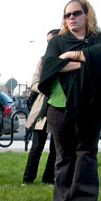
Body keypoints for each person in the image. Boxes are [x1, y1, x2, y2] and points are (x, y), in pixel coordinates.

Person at [39, 0, 101, 201]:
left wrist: (70, 56)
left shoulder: (100, 38)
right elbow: (49, 66)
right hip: (59, 104)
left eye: (76, 13)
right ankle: (62, 200)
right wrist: (83, 62)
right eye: (67, 15)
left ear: (87, 14)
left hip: (91, 104)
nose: (71, 18)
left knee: (86, 151)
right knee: (64, 153)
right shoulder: (57, 41)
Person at [22, 29, 59, 186]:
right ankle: (28, 179)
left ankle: (49, 178)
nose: (49, 43)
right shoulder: (43, 60)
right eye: (48, 41)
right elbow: (34, 82)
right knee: (36, 146)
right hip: (42, 109)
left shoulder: (66, 59)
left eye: (53, 40)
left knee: (55, 149)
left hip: (58, 107)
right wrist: (45, 88)